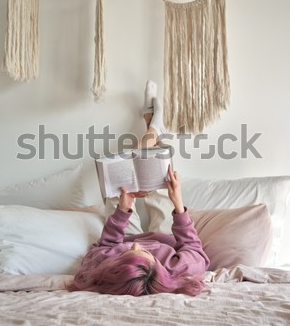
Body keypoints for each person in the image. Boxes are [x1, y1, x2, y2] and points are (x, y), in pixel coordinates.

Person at [68, 81, 210, 296]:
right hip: (165, 235)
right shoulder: (181, 268)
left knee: (120, 188)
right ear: (158, 268)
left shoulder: (103, 266)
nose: (135, 246)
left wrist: (122, 211)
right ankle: (153, 129)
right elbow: (193, 246)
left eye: (126, 255)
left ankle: (152, 128)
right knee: (163, 182)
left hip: (124, 235)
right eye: (143, 253)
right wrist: (178, 204)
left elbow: (106, 244)